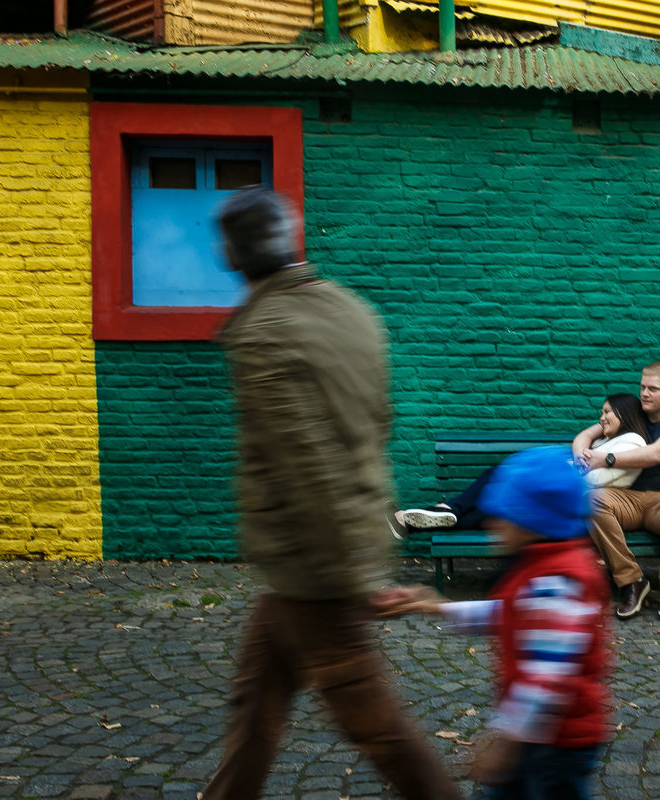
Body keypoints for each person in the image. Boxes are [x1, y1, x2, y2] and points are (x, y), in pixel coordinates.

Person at [203, 188, 462, 800]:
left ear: (234, 254)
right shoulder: (349, 309)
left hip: (317, 563)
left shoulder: (264, 332)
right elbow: (376, 424)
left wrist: (353, 574)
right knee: (256, 699)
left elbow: (306, 464)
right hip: (327, 547)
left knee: (377, 727)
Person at [381, 446, 612, 800]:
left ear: (532, 521)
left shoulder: (559, 582)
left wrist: (505, 743)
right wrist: (437, 607)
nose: (491, 522)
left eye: (502, 514)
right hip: (537, 736)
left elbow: (543, 680)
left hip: (556, 744)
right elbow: (510, 614)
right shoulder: (542, 568)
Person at [397, 393, 648, 532]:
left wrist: (566, 469)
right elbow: (584, 447)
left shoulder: (633, 442)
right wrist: (597, 436)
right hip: (561, 495)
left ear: (624, 414)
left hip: (569, 504)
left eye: (606, 412)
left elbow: (595, 480)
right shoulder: (607, 441)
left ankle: (437, 511)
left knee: (499, 484)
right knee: (492, 506)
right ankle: (422, 517)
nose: (601, 417)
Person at [572, 361, 660, 621]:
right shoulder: (634, 414)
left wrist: (605, 458)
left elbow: (657, 454)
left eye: (652, 389)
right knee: (593, 501)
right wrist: (582, 457)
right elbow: (586, 434)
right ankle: (631, 582)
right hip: (629, 499)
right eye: (642, 387)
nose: (644, 394)